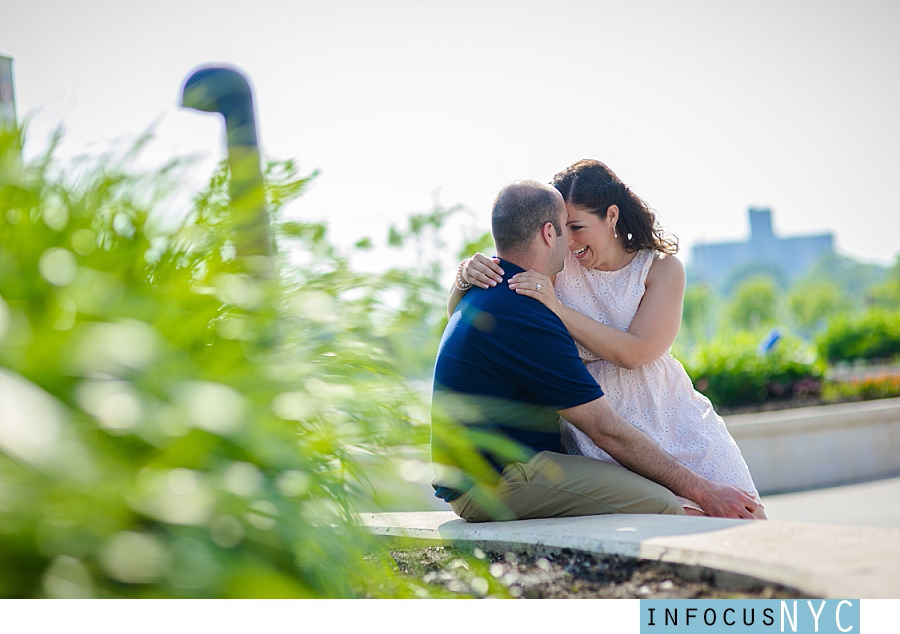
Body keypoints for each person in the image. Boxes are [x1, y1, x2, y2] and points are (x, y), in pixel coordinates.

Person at [432, 178, 760, 522]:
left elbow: (635, 353)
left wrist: (465, 283)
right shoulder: (525, 302)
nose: (570, 239)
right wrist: (461, 278)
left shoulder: (509, 290)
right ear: (548, 234)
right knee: (667, 507)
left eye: (577, 226)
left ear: (612, 217)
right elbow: (604, 429)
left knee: (740, 508)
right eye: (564, 227)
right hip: (497, 479)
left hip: (656, 410)